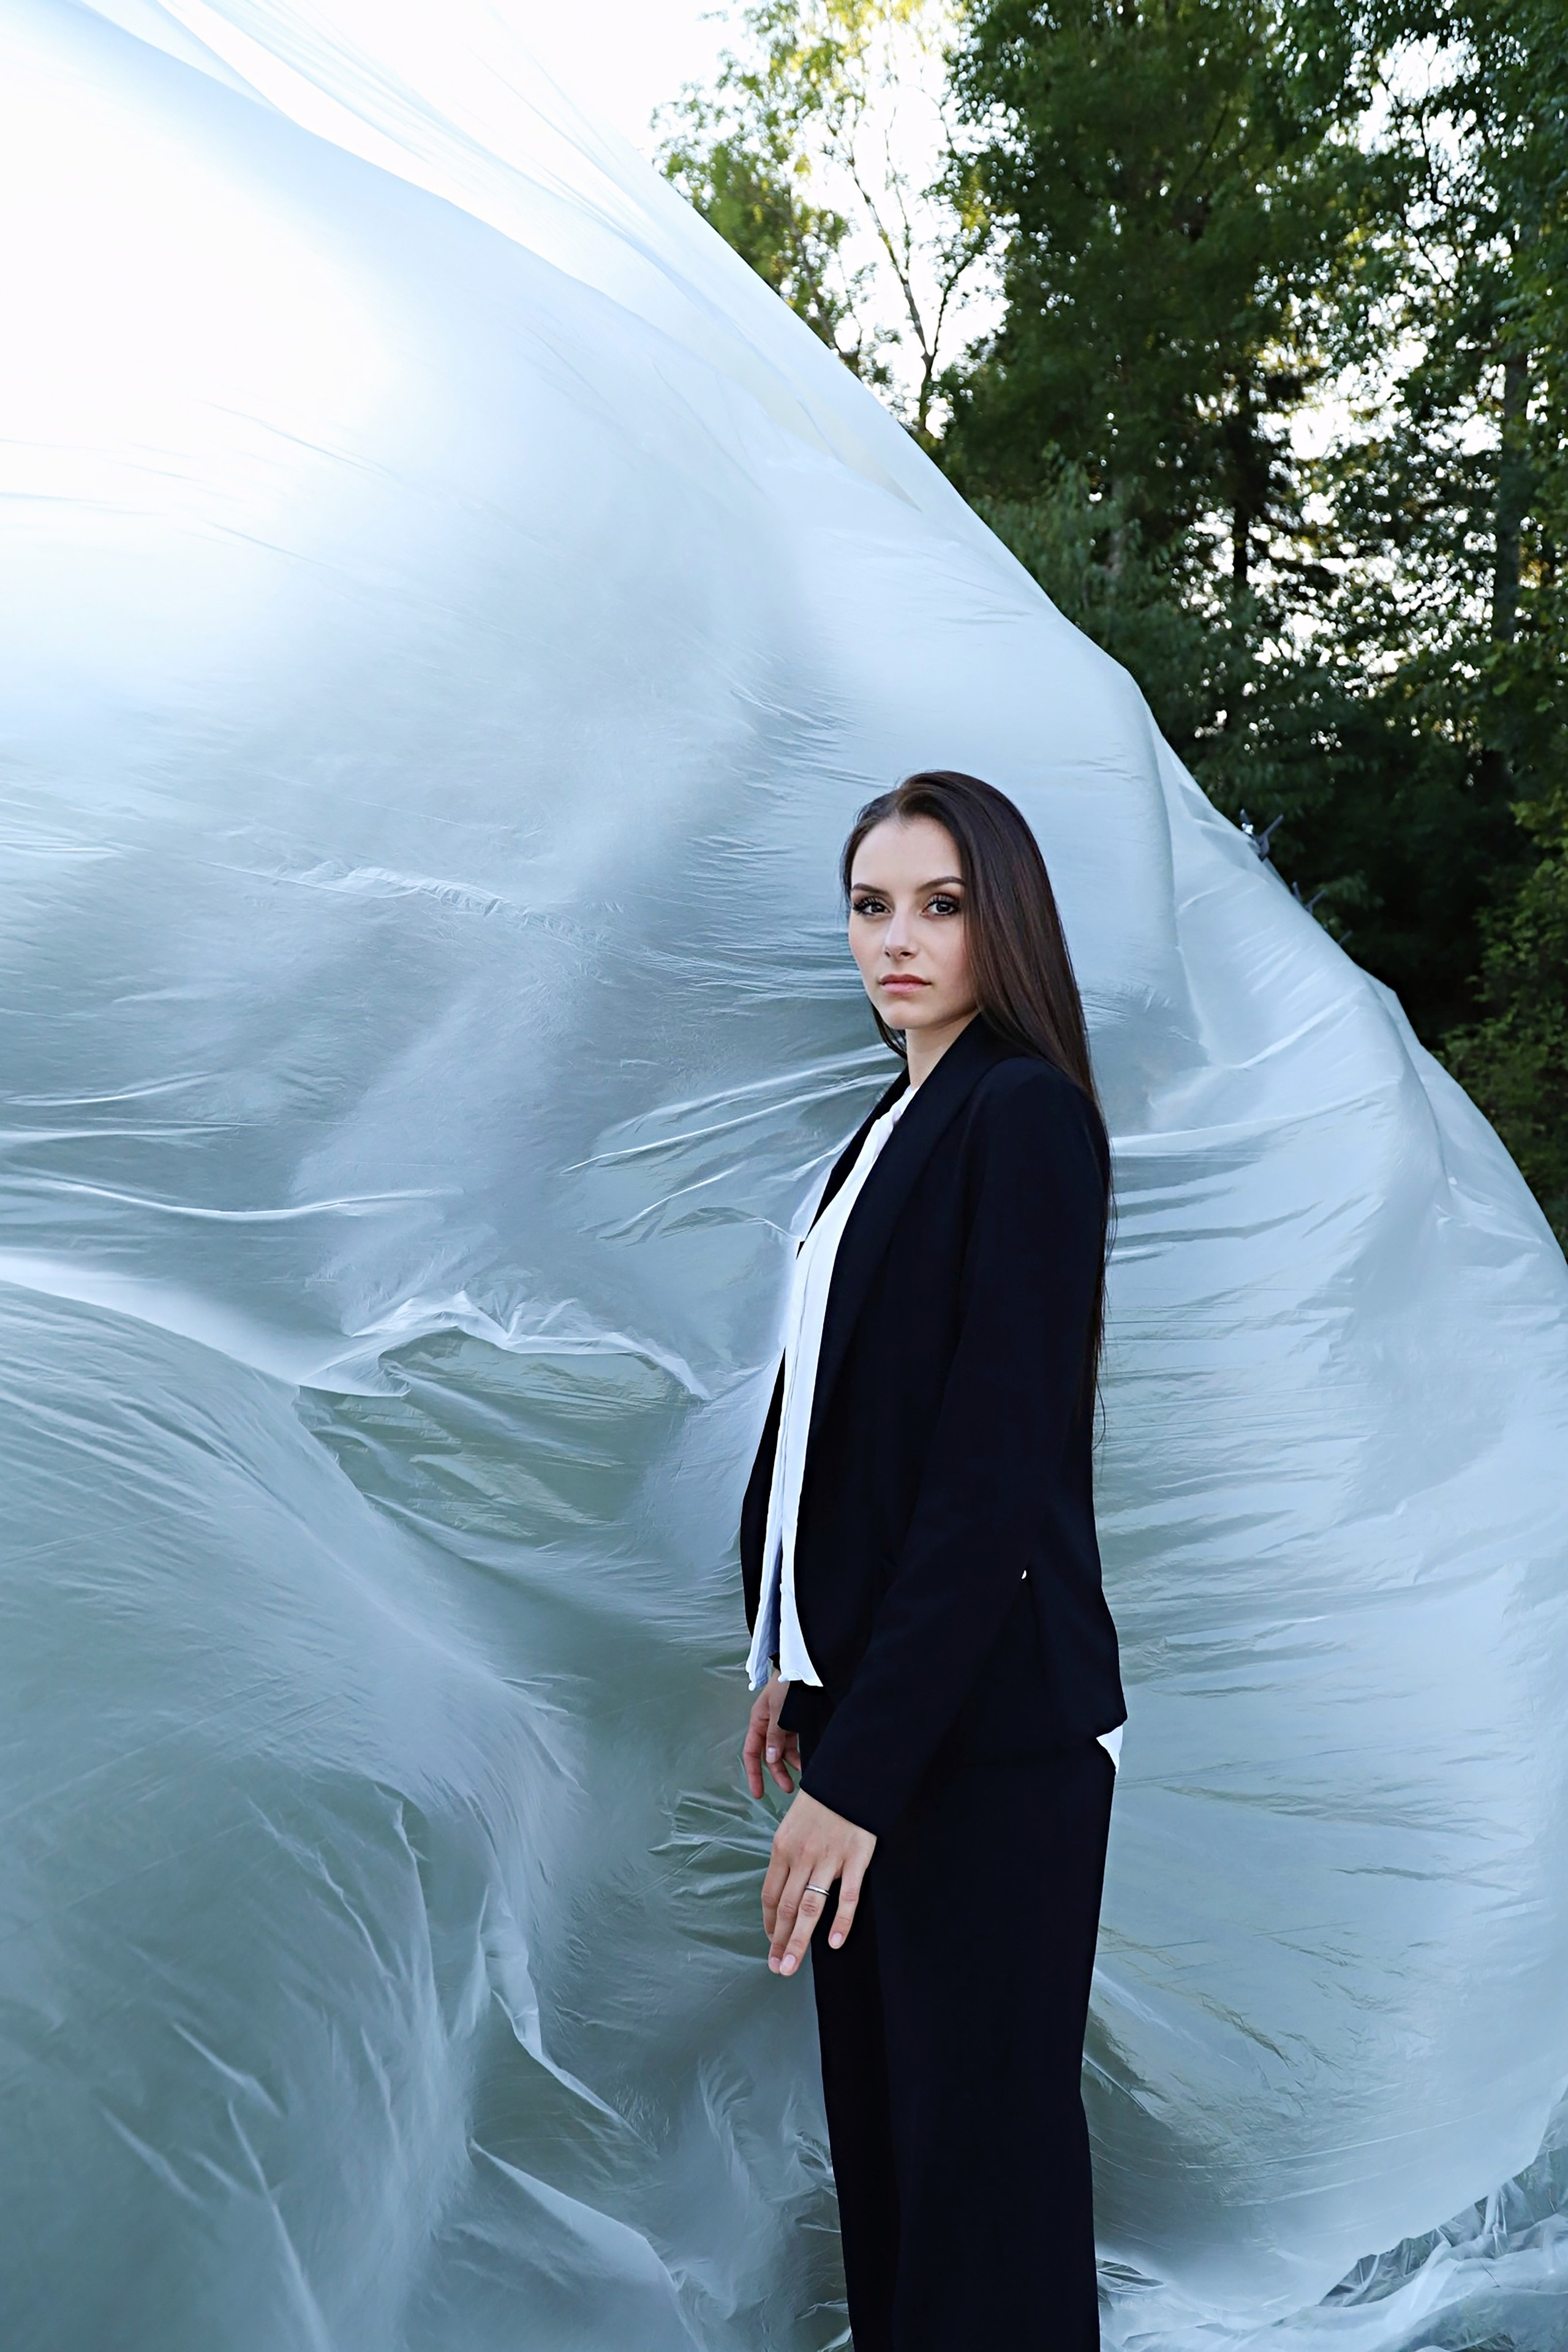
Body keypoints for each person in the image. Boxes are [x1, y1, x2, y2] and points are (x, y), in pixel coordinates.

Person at [739, 770, 1127, 2352]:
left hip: (988, 1743)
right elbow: (835, 1422)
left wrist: (861, 1776)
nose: (899, 940)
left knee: (984, 2182)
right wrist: (790, 1652)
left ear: (1003, 920)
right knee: (898, 2164)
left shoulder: (1021, 1115)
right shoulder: (891, 1128)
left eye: (942, 905)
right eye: (872, 905)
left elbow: (988, 1478)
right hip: (887, 1713)